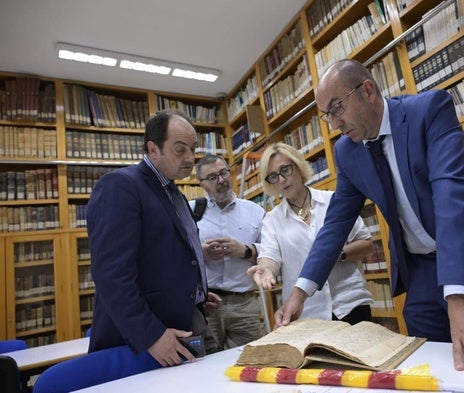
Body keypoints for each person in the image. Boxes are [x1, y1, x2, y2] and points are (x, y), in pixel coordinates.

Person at [276, 59, 464, 378]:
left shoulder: (429, 110)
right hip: (420, 273)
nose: (334, 123)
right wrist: (299, 293)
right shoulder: (348, 151)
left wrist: (460, 293)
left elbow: (453, 196)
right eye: (326, 115)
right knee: (434, 371)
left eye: (336, 108)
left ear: (367, 90)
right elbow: (335, 224)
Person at [87, 109, 219, 371]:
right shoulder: (121, 186)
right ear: (153, 148)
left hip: (187, 324)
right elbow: (110, 275)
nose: (191, 158)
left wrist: (196, 294)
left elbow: (167, 255)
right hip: (147, 341)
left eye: (193, 149)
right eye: (180, 149)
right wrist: (152, 335)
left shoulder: (174, 193)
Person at [248, 142, 375, 324]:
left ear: (299, 167)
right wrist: (266, 270)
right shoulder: (272, 219)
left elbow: (367, 244)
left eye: (285, 170)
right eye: (273, 176)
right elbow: (270, 256)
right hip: (307, 312)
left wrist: (333, 255)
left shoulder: (333, 200)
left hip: (350, 302)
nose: (282, 180)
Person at [190, 154, 265, 350]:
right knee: (206, 367)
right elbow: (175, 254)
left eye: (224, 173)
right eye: (213, 177)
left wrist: (245, 251)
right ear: (202, 183)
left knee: (248, 363)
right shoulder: (190, 212)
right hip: (207, 305)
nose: (221, 180)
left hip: (245, 305)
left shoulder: (255, 211)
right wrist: (201, 254)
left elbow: (272, 252)